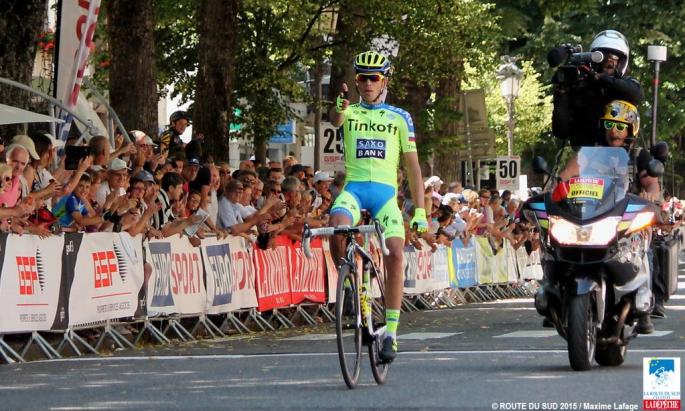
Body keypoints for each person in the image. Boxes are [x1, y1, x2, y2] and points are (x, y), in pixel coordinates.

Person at [328, 50, 428, 363]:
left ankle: (392, 333)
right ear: (355, 81)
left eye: (374, 78)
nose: (368, 83)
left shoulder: (400, 117)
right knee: (337, 225)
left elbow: (413, 168)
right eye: (362, 78)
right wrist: (338, 108)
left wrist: (421, 211)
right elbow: (336, 119)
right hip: (354, 191)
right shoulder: (350, 112)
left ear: (384, 80)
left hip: (386, 196)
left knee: (396, 253)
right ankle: (347, 282)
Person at [551, 30, 643, 147]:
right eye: (603, 56)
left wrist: (602, 79)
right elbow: (561, 131)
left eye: (614, 57)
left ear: (622, 62)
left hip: (620, 157)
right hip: (584, 157)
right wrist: (562, 94)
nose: (609, 61)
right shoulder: (581, 86)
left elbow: (636, 94)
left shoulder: (627, 86)